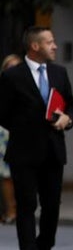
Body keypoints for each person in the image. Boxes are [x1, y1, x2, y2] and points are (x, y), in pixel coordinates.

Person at [0, 27, 73, 250]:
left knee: (52, 205)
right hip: (24, 151)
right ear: (35, 46)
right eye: (50, 42)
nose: (55, 46)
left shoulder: (59, 73)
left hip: (54, 150)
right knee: (26, 205)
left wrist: (67, 119)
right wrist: (25, 128)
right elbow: (3, 113)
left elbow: (72, 108)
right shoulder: (13, 76)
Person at [0, 54, 20, 224]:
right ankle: (10, 209)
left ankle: (21, 208)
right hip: (3, 134)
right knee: (6, 174)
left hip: (23, 133)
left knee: (21, 174)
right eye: (10, 67)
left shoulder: (29, 87)